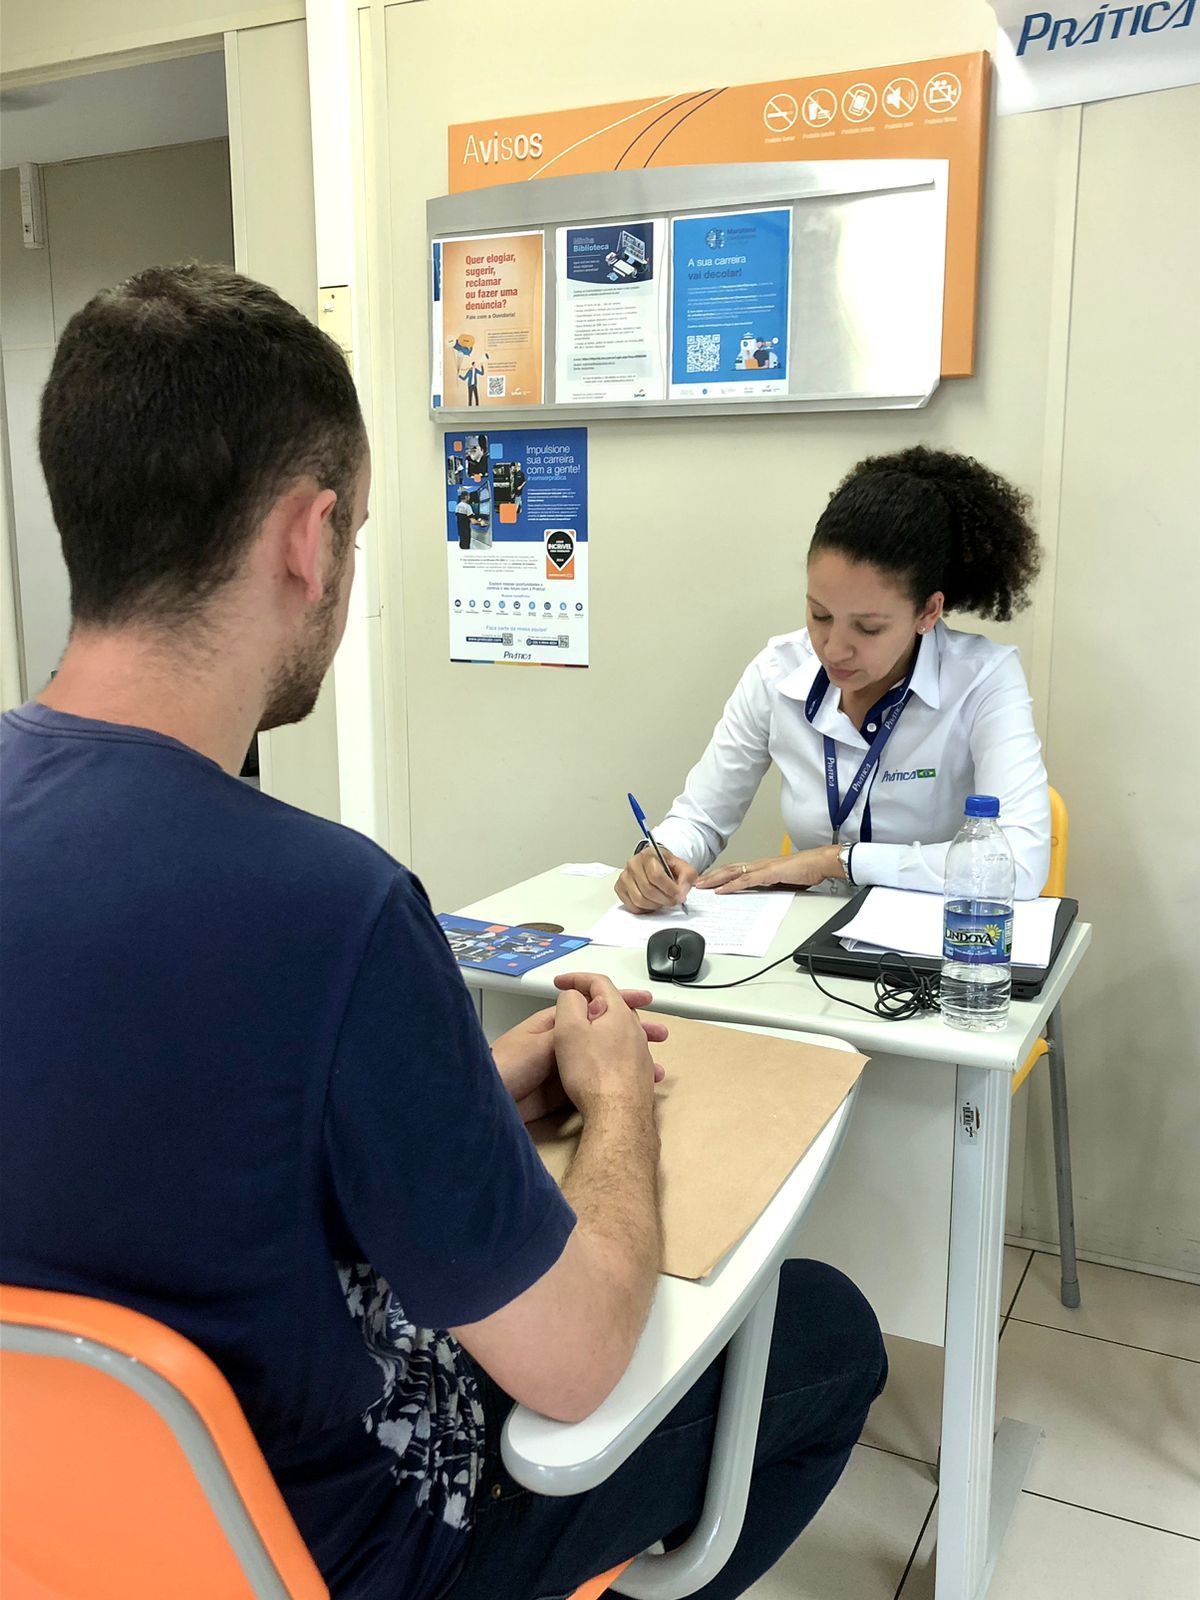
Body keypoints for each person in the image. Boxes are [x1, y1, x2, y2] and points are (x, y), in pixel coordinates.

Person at [0, 264, 885, 1600]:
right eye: (356, 534)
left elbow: (163, 1142)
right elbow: (577, 1358)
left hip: (60, 1538)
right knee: (821, 1333)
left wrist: (456, 1091)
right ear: (309, 537)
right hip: (344, 1557)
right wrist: (611, 1097)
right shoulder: (333, 909)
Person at [617, 447, 1050, 914]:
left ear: (928, 611)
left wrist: (836, 862)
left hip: (933, 951)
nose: (834, 648)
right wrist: (659, 858)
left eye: (868, 628)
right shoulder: (777, 672)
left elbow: (1018, 863)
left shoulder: (983, 679)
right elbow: (701, 817)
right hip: (803, 948)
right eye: (819, 614)